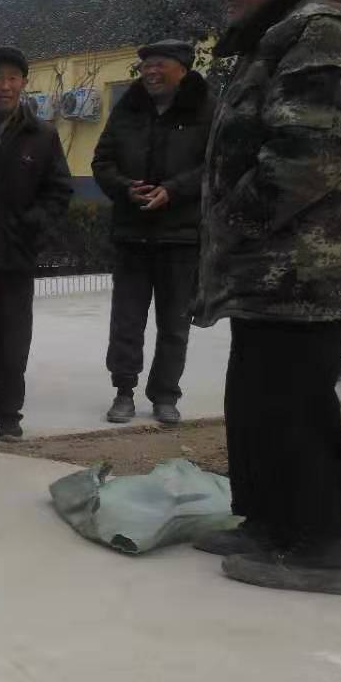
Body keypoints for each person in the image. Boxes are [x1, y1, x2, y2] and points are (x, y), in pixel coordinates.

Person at [192, 0, 341, 596]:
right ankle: (267, 524)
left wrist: (231, 225)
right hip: (270, 266)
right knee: (257, 400)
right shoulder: (279, 35)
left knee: (294, 404)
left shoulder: (323, 36)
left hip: (306, 265)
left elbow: (305, 159)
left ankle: (318, 546)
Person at [92, 39, 214, 426]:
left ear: (183, 69)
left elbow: (216, 165)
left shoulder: (206, 109)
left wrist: (173, 190)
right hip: (131, 235)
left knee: (174, 324)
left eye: (160, 64)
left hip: (181, 237)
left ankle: (165, 395)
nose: (150, 71)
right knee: (126, 321)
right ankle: (123, 391)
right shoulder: (128, 108)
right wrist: (124, 188)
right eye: (146, 65)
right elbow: (102, 161)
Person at [0, 46, 72, 443]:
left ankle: (8, 416)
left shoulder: (43, 134)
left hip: (15, 258)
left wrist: (32, 228)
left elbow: (59, 191)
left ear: (23, 83)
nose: (5, 86)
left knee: (11, 344)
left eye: (12, 78)